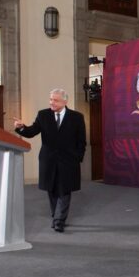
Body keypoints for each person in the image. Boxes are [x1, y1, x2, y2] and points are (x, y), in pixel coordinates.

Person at [13, 88, 86, 233]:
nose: (51, 102)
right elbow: (32, 131)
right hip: (49, 160)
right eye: (51, 99)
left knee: (65, 189)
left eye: (55, 100)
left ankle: (59, 220)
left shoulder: (77, 117)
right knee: (52, 189)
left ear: (65, 101)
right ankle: (56, 216)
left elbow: (81, 141)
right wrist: (21, 128)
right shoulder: (43, 115)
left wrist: (78, 157)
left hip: (68, 161)